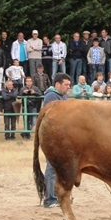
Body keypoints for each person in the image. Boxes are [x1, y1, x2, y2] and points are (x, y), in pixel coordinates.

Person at [41, 73, 71, 208]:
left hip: (58, 136)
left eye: (69, 85)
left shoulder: (62, 96)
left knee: (58, 167)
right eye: (66, 85)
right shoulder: (52, 96)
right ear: (57, 84)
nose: (68, 87)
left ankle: (57, 196)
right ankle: (50, 199)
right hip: (52, 136)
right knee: (52, 167)